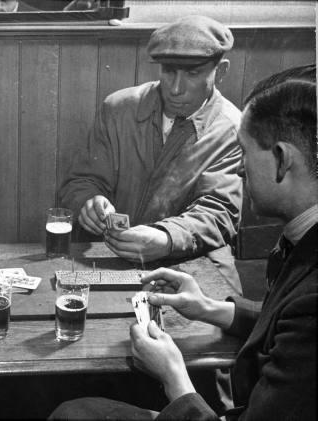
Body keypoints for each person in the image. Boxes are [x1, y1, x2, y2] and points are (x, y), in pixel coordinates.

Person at [50, 74, 317, 420]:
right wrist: (211, 308)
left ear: (282, 159)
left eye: (245, 153)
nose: (239, 168)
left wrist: (174, 376)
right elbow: (283, 324)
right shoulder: (303, 236)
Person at [59, 15, 243, 292]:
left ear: (222, 70)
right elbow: (81, 181)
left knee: (213, 332)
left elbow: (219, 213)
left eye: (192, 73)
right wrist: (88, 202)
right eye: (169, 71)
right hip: (114, 257)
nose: (176, 88)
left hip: (190, 262)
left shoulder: (233, 129)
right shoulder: (118, 108)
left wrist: (166, 239)